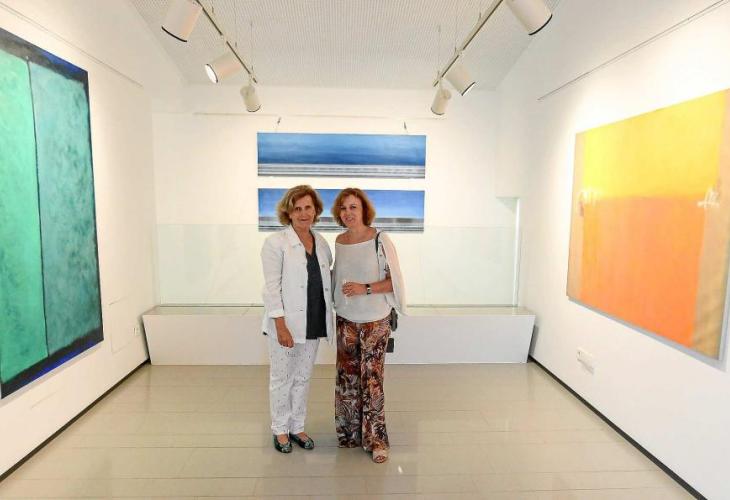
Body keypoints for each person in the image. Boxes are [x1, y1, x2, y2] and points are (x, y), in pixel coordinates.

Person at [331, 187, 405, 463]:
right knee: (347, 381)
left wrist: (366, 288)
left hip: (375, 320)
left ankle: (376, 440)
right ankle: (350, 435)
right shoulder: (339, 241)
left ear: (364, 210)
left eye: (353, 207)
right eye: (343, 208)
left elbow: (395, 282)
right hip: (346, 320)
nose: (348, 212)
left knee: (372, 381)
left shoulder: (380, 239)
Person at [261, 185, 334, 453]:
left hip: (314, 321)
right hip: (287, 324)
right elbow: (271, 289)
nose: (304, 213)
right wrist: (280, 326)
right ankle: (280, 429)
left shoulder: (322, 243)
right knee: (282, 378)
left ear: (316, 211)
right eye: (297, 209)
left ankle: (297, 426)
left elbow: (325, 281)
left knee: (303, 377)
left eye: (308, 208)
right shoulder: (275, 243)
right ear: (288, 213)